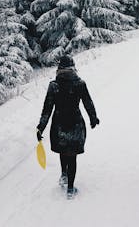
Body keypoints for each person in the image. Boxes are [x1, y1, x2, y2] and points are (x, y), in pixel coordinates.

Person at [36, 55, 100, 199]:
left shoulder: (54, 86)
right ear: (73, 67)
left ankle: (63, 175)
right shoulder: (80, 83)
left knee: (63, 151)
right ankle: (70, 188)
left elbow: (47, 109)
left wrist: (41, 127)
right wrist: (93, 118)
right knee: (72, 156)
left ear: (59, 68)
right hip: (75, 123)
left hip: (59, 124)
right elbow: (88, 102)